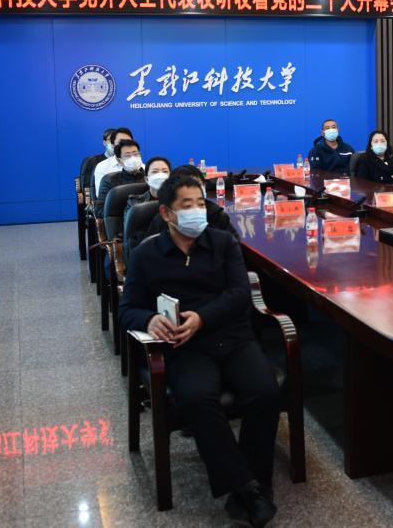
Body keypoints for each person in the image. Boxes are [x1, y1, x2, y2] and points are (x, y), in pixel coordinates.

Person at [120, 173, 280, 526]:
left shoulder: (223, 243)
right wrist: (149, 319)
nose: (196, 211)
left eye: (200, 204)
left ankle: (253, 482)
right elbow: (127, 308)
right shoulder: (147, 254)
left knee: (266, 392)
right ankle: (249, 489)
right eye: (186, 205)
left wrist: (202, 318)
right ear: (166, 213)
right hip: (185, 347)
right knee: (197, 399)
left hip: (232, 338)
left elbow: (240, 293)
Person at [145, 165, 239, 240]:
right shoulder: (162, 219)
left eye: (198, 184)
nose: (193, 189)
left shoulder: (216, 214)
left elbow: (234, 245)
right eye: (186, 186)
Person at [95, 140, 147, 213]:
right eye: (127, 156)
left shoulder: (149, 177)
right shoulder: (110, 180)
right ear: (119, 161)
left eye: (135, 154)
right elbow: (100, 210)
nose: (133, 159)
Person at [92, 127, 138, 196]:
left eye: (128, 142)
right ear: (113, 145)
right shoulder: (102, 167)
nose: (125, 146)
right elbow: (102, 197)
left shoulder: (142, 167)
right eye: (120, 143)